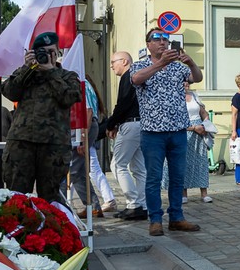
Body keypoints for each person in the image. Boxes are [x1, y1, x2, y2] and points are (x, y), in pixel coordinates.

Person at [130, 29, 203, 236]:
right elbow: (136, 79)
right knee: (154, 178)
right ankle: (155, 219)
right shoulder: (140, 65)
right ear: (148, 44)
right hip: (153, 133)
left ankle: (176, 217)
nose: (162, 42)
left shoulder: (177, 67)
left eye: (165, 39)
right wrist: (160, 64)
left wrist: (191, 63)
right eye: (157, 39)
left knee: (178, 177)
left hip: (178, 130)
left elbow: (197, 77)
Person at [2, 32, 81, 202]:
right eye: (42, 52)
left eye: (51, 52)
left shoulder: (68, 76)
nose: (47, 56)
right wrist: (26, 67)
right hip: (22, 143)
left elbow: (69, 97)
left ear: (58, 52)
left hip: (54, 145)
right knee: (17, 197)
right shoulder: (25, 75)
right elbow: (9, 92)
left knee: (51, 199)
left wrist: (51, 72)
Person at [99, 51, 146, 220]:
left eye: (113, 62)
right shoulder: (135, 75)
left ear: (124, 61)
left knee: (118, 165)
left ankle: (134, 204)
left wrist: (111, 123)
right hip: (141, 124)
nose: (111, 66)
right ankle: (142, 204)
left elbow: (123, 103)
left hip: (131, 124)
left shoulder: (128, 76)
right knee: (139, 168)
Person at [69, 75, 117, 217]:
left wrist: (83, 138)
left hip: (84, 128)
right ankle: (93, 206)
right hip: (84, 128)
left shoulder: (81, 84)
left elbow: (88, 111)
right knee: (80, 170)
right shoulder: (84, 84)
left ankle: (91, 206)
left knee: (74, 169)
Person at [182, 83, 212, 202]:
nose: (186, 84)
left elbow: (204, 113)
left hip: (199, 133)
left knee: (201, 161)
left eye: (187, 81)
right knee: (183, 162)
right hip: (185, 132)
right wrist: (193, 127)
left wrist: (205, 125)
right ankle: (183, 194)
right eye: (183, 81)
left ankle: (204, 193)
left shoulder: (194, 95)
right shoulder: (175, 96)